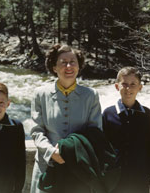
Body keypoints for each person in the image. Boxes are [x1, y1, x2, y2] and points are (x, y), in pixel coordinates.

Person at [30, 44, 102, 193]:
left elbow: (95, 132)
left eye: (73, 62)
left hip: (79, 168)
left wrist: (71, 151)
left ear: (79, 66)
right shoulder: (40, 94)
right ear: (54, 67)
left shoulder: (91, 95)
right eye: (63, 62)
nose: (68, 66)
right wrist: (52, 153)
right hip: (46, 166)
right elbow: (37, 131)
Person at [102, 67, 150, 193]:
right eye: (124, 84)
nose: (128, 89)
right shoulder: (108, 113)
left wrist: (149, 173)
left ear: (140, 87)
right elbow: (103, 146)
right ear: (117, 86)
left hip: (139, 177)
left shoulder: (147, 114)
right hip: (114, 178)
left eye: (133, 85)